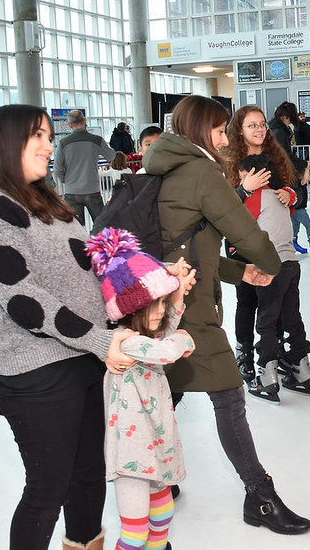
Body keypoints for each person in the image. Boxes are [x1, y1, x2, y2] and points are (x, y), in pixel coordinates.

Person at [0, 104, 136, 550]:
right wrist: (100, 339)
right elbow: (24, 301)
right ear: (6, 143)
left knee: (89, 475)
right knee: (47, 488)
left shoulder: (47, 201)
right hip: (33, 369)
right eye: (36, 135)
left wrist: (155, 281)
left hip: (81, 359)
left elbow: (93, 267)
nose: (48, 144)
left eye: (49, 135)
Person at [142, 95, 310, 535]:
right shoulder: (201, 171)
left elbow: (197, 244)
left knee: (170, 394)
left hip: (164, 303)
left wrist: (242, 272)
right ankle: (260, 497)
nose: (225, 138)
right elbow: (243, 229)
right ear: (201, 131)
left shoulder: (165, 167)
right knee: (230, 397)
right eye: (220, 130)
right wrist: (276, 266)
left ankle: (154, 478)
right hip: (189, 308)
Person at [86, 229, 197, 550]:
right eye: (153, 304)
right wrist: (186, 338)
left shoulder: (144, 339)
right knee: (134, 533)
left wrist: (175, 301)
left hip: (155, 447)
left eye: (162, 302)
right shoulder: (128, 342)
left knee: (162, 517)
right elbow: (166, 351)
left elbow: (163, 336)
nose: (160, 310)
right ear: (130, 309)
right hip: (133, 457)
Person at [223, 104, 296, 385]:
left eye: (262, 124)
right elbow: (220, 207)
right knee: (247, 301)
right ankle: (244, 354)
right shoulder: (228, 162)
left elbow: (296, 189)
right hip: (240, 244)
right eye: (252, 125)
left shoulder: (276, 158)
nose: (259, 129)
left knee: (274, 302)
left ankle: (272, 356)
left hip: (274, 245)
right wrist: (245, 188)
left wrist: (291, 194)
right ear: (239, 130)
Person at [237, 154, 310, 403]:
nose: (242, 183)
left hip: (271, 266)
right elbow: (294, 201)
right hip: (291, 266)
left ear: (256, 177)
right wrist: (290, 193)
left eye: (243, 178)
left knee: (266, 323)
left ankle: (267, 377)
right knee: (292, 318)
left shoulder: (255, 197)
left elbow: (233, 218)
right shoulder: (280, 196)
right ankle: (302, 371)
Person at [54, 109, 119, 226]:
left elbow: (57, 169)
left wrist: (67, 180)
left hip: (71, 192)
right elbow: (111, 156)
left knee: (76, 228)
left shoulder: (63, 143)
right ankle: (100, 244)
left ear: (69, 125)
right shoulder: (97, 140)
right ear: (84, 120)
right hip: (92, 190)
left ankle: (81, 244)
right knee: (101, 225)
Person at [290, 158, 310, 255]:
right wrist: (307, 167)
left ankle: (294, 242)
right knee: (308, 225)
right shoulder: (300, 183)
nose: (309, 179)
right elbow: (306, 178)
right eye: (308, 176)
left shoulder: (293, 182)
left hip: (293, 210)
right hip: (300, 210)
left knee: (295, 227)